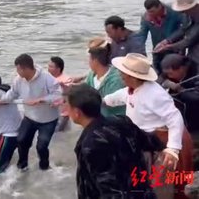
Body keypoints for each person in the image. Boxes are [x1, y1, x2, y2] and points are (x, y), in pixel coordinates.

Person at [103, 53, 193, 199]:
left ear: (132, 76)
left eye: (123, 73)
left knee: (169, 186)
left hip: (166, 140)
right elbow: (121, 96)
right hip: (147, 139)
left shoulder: (154, 94)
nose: (120, 75)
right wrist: (104, 100)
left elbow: (175, 118)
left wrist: (173, 148)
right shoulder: (132, 88)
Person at [66, 84, 164, 199]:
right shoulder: (121, 121)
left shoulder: (90, 145)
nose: (65, 109)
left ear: (77, 112)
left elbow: (110, 190)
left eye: (67, 106)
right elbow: (152, 142)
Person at [0, 54, 62, 171]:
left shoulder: (47, 78)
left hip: (48, 119)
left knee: (41, 146)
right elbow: (12, 94)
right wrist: (0, 101)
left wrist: (41, 99)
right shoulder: (18, 80)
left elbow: (58, 95)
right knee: (21, 141)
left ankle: (44, 168)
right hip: (30, 117)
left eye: (18, 69)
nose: (17, 72)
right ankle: (22, 166)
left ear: (25, 68)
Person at [139, 0, 184, 73]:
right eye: (148, 12)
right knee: (157, 73)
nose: (150, 14)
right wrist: (140, 51)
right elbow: (142, 35)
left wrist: (168, 40)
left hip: (175, 48)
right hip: (157, 50)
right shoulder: (146, 17)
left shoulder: (174, 10)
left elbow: (184, 29)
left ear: (159, 6)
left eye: (152, 11)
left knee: (175, 73)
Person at [154, 0, 199, 71]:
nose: (183, 12)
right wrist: (166, 41)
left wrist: (168, 47)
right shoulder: (187, 15)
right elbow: (183, 29)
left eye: (184, 10)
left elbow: (189, 40)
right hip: (192, 53)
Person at [159, 54, 199, 134]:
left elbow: (196, 98)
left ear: (181, 69)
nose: (169, 76)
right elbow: (160, 78)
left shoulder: (196, 74)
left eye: (170, 74)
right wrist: (164, 82)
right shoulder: (171, 69)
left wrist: (181, 90)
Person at [84, 42, 126, 116]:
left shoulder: (116, 80)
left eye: (89, 59)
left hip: (115, 121)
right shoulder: (92, 75)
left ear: (95, 61)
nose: (88, 62)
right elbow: (85, 90)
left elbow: (112, 104)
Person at [48, 56, 70, 132]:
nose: (48, 68)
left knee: (59, 135)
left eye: (51, 66)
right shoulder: (48, 78)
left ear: (58, 69)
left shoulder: (66, 79)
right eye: (48, 66)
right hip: (50, 113)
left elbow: (69, 97)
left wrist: (64, 87)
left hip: (62, 115)